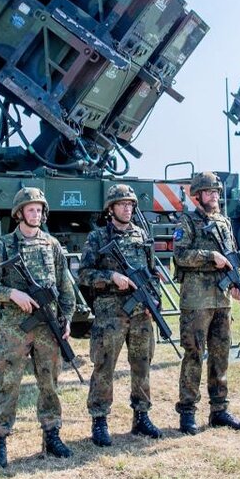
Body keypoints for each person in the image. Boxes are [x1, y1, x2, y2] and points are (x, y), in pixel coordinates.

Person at [0, 186, 77, 469]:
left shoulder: (52, 245)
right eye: (30, 209)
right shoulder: (4, 246)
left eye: (39, 209)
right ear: (19, 213)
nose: (35, 214)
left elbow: (65, 287)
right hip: (15, 327)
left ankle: (52, 435)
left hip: (48, 327)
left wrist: (67, 318)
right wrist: (13, 294)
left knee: (50, 382)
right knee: (8, 383)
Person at [78, 184, 163, 446]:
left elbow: (152, 273)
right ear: (111, 208)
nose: (127, 208)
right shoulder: (98, 238)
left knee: (142, 364)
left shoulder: (141, 235)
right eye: (122, 204)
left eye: (130, 204)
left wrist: (155, 301)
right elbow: (84, 274)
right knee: (104, 366)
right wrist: (111, 277)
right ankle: (100, 420)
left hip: (140, 314)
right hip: (110, 314)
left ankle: (141, 416)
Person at [173, 171, 240, 434]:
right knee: (194, 355)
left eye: (216, 191)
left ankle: (219, 410)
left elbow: (233, 258)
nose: (214, 196)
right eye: (209, 192)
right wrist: (210, 255)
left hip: (221, 300)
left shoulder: (224, 222)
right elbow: (180, 255)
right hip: (196, 301)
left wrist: (237, 286)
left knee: (221, 354)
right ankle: (188, 412)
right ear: (197, 196)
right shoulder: (187, 222)